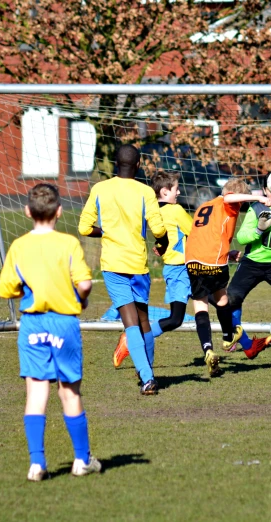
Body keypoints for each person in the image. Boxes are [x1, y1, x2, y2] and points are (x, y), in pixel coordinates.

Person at [0, 183, 101, 481]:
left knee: (36, 393)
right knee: (69, 391)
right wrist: (81, 298)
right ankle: (82, 460)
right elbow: (84, 283)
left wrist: (24, 288)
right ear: (59, 211)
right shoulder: (68, 244)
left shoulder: (18, 246)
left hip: (32, 324)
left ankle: (37, 464)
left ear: (28, 211)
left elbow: (6, 288)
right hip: (63, 323)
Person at [79, 144, 169, 395]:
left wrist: (104, 232)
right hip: (138, 264)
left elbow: (85, 228)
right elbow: (159, 230)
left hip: (113, 265)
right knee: (143, 321)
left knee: (130, 323)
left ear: (116, 165)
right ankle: (148, 372)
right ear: (139, 165)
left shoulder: (100, 188)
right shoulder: (145, 191)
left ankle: (148, 377)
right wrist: (162, 242)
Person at [184, 178, 271, 377]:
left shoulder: (205, 205)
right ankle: (228, 338)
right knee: (223, 300)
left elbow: (207, 236)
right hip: (212, 262)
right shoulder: (228, 204)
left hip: (192, 260)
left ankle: (208, 350)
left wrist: (228, 253)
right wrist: (259, 197)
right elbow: (229, 198)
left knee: (200, 306)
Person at [226, 185, 271, 356]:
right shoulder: (256, 209)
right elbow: (241, 237)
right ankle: (235, 336)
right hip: (252, 262)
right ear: (265, 190)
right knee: (232, 297)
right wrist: (259, 230)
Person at [148, 171, 193, 339]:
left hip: (177, 269)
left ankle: (242, 342)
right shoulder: (175, 210)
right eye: (176, 189)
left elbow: (165, 236)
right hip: (181, 270)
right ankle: (137, 338)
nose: (179, 192)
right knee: (175, 319)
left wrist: (159, 246)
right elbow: (195, 231)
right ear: (165, 192)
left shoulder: (153, 212)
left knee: (220, 301)